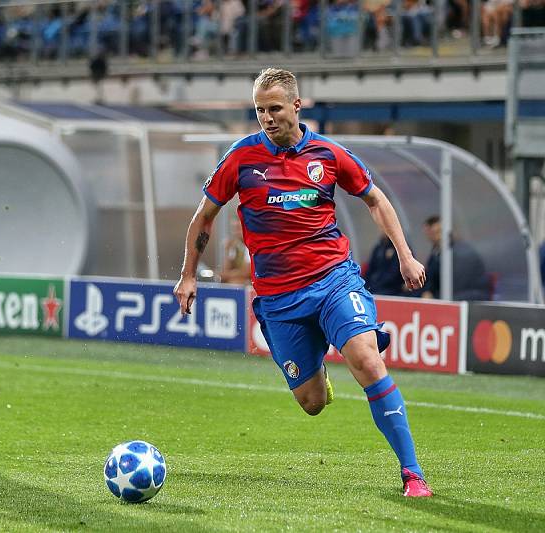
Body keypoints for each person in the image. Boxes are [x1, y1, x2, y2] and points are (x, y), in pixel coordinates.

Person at [173, 67, 432, 497]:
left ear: (297, 105)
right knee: (311, 403)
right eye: (259, 110)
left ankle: (412, 473)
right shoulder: (241, 158)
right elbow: (204, 216)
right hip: (278, 298)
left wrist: (405, 254)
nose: (267, 118)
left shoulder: (329, 155)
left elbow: (375, 199)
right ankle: (317, 373)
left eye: (274, 108)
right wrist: (187, 275)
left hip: (333, 279)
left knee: (367, 361)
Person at [420, 215, 491, 300]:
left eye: (438, 232)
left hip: (470, 294)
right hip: (452, 293)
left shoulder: (461, 252)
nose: (435, 236)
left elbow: (458, 284)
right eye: (430, 233)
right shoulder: (437, 252)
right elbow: (432, 277)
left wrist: (434, 297)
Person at [220, 214, 251, 285]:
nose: (235, 232)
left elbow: (246, 273)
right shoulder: (234, 245)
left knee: (235, 282)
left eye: (238, 228)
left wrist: (226, 275)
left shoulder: (251, 244)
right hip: (238, 281)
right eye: (234, 229)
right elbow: (226, 269)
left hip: (253, 284)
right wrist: (227, 251)